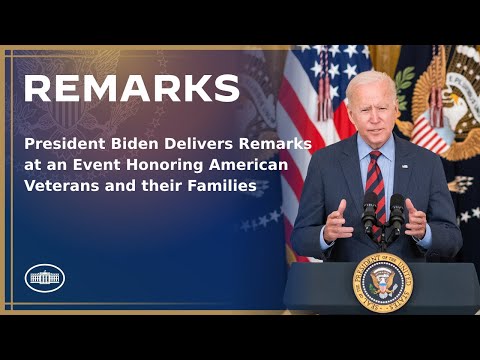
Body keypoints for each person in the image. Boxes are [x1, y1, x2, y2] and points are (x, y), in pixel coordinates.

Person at [291, 70, 462, 262]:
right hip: (343, 286)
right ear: (351, 114)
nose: (374, 119)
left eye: (382, 108)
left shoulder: (427, 162)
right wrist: (325, 235)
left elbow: (452, 239)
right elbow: (300, 238)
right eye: (365, 110)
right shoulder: (324, 162)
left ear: (396, 110)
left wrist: (425, 233)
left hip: (411, 286)